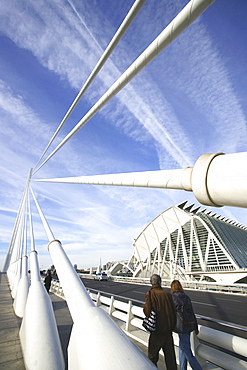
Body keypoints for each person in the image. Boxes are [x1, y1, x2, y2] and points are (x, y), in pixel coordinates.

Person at [144, 274, 177, 369]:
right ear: (160, 282)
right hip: (168, 331)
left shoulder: (150, 294)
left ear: (151, 282)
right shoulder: (168, 295)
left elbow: (147, 312)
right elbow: (173, 312)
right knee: (170, 359)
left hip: (156, 332)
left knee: (152, 358)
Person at [171, 280, 202, 370]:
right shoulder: (186, 297)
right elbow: (192, 313)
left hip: (180, 326)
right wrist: (195, 327)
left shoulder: (173, 298)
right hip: (189, 325)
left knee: (187, 352)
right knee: (182, 348)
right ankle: (182, 368)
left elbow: (171, 313)